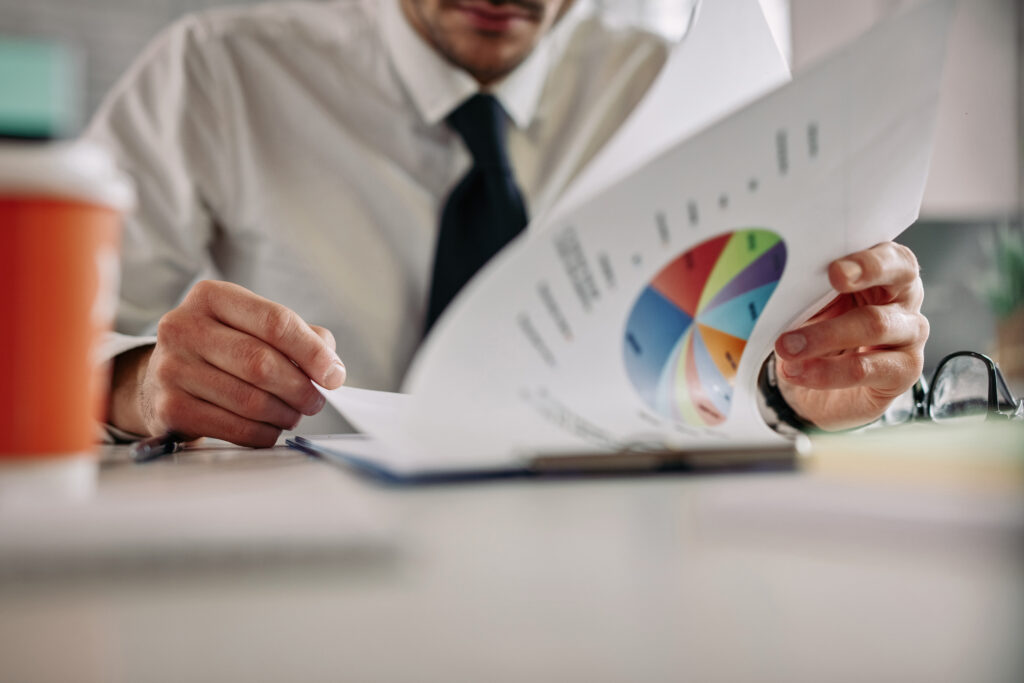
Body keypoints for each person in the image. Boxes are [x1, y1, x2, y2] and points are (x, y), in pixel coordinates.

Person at [91, 0, 928, 447]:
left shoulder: (672, 89)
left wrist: (801, 382)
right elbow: (37, 344)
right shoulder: (211, 76)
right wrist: (135, 381)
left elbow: (713, 375)